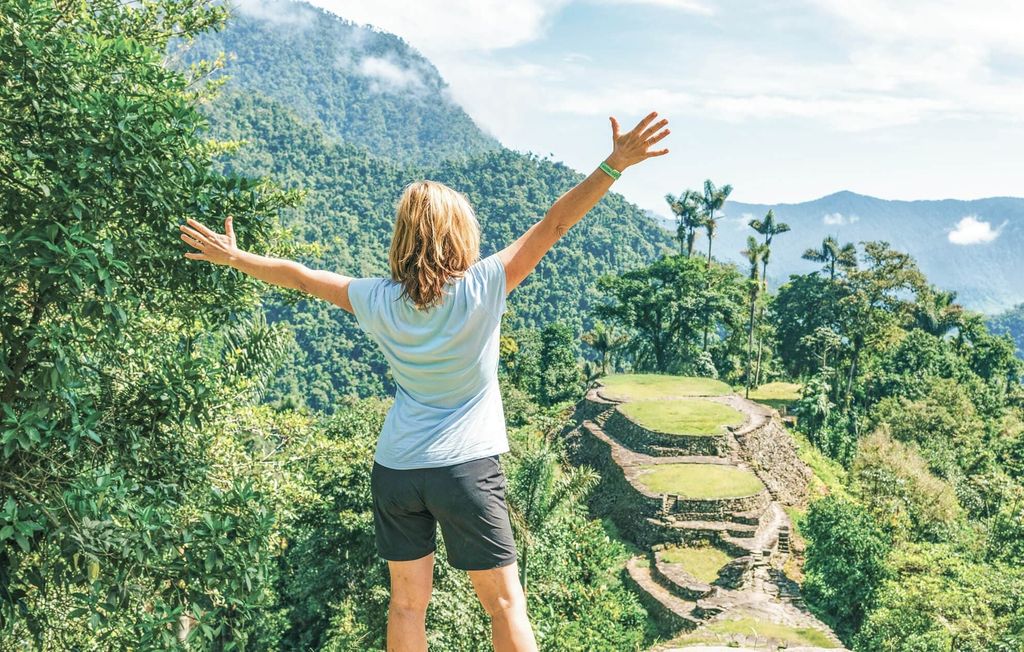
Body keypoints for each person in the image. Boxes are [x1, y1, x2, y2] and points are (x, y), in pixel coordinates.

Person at [179, 111, 670, 652]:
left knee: (408, 606)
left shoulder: (376, 299)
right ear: (461, 233)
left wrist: (234, 256)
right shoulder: (484, 285)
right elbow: (554, 224)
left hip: (396, 471)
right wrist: (614, 165)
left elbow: (298, 276)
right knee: (504, 604)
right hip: (465, 470)